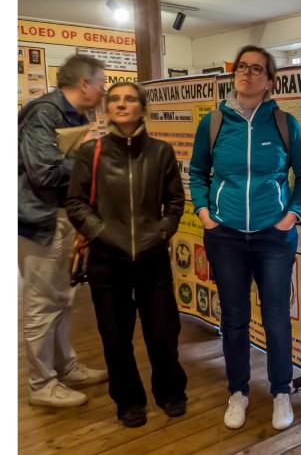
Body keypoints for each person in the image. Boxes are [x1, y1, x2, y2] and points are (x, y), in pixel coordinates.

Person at [189, 45, 301, 431]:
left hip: (273, 238)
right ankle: (238, 391)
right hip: (224, 235)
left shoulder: (283, 123)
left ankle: (281, 391)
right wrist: (204, 212)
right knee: (235, 318)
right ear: (234, 75)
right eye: (241, 67)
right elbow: (197, 171)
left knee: (277, 319)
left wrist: (292, 215)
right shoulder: (213, 123)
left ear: (269, 80)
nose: (247, 73)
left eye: (256, 69)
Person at [65, 82, 188, 427]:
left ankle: (170, 391)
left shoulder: (161, 152)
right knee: (116, 337)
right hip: (108, 260)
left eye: (130, 99)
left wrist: (161, 232)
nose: (122, 104)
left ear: (142, 108)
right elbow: (75, 202)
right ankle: (129, 400)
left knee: (164, 333)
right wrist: (102, 233)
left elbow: (175, 202)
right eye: (115, 99)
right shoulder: (91, 153)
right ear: (107, 109)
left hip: (152, 259)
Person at [18, 54, 109, 408]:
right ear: (84, 84)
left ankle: (65, 366)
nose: (104, 89)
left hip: (58, 216)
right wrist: (91, 158)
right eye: (101, 82)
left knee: (60, 299)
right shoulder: (45, 113)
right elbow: (44, 172)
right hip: (39, 219)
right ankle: (42, 384)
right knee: (42, 303)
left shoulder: (75, 115)